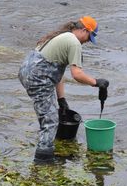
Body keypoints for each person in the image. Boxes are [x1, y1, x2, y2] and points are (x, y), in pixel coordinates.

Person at [18, 16, 109, 163]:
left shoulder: (64, 36)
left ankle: (46, 149)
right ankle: (43, 159)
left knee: (49, 114)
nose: (87, 41)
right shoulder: (74, 43)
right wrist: (96, 82)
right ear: (84, 30)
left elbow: (57, 72)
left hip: (28, 72)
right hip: (38, 77)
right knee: (51, 120)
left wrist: (62, 99)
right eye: (88, 37)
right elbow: (77, 74)